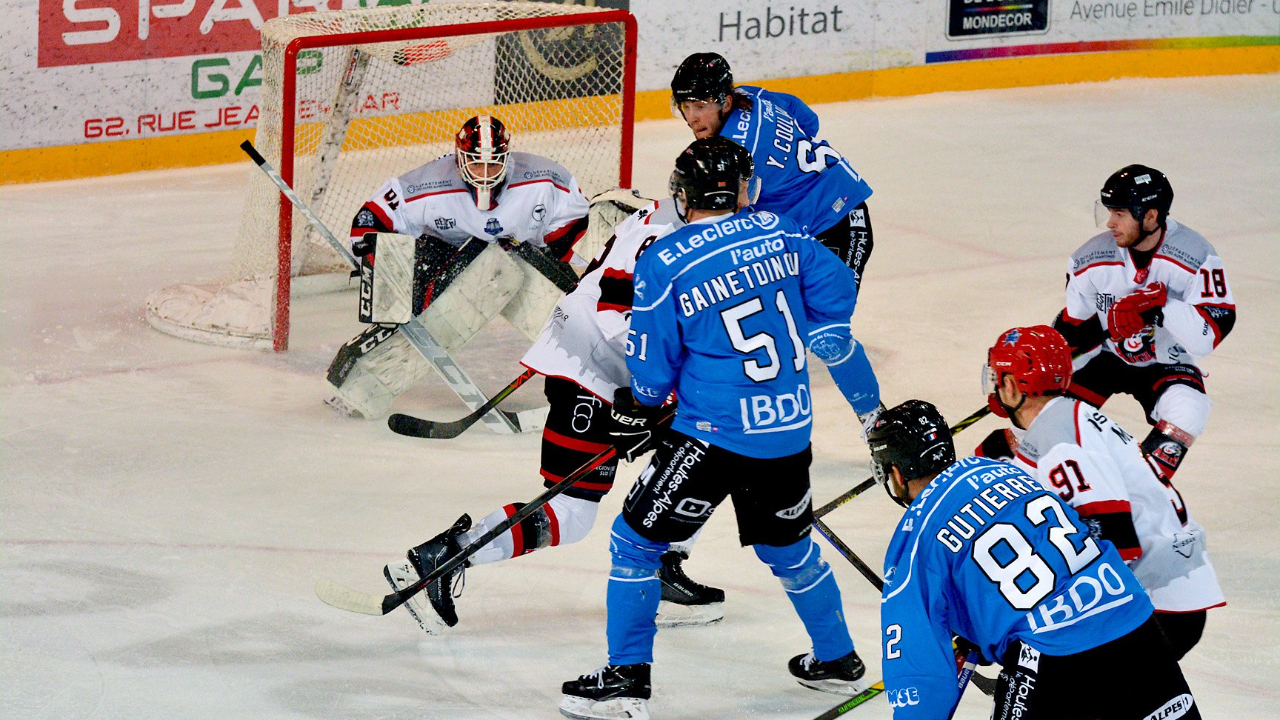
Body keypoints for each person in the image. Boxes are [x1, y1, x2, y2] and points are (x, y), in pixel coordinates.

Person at [560, 136, 882, 720]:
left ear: (683, 198)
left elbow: (653, 369)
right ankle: (837, 659)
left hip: (712, 436)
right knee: (789, 549)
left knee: (634, 544)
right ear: (744, 189)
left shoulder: (667, 257)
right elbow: (835, 292)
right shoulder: (783, 233)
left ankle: (627, 680)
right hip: (789, 432)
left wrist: (647, 404)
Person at [382, 189, 728, 636]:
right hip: (595, 369)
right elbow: (616, 311)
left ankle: (660, 565)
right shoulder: (669, 233)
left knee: (704, 450)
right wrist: (655, 387)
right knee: (571, 511)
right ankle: (447, 556)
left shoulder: (676, 216)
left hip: (603, 362)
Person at [870, 400, 1201, 720]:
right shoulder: (1007, 472)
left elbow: (921, 675)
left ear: (896, 474)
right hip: (1133, 622)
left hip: (1053, 656)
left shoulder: (913, 539)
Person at [976, 325, 1224, 659]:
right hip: (1166, 593)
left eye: (1000, 375)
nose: (995, 384)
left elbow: (1114, 539)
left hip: (1155, 607)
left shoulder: (1059, 436)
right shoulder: (1068, 418)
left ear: (1012, 385)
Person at [325, 115, 591, 420]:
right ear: (459, 158)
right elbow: (369, 221)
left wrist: (567, 268)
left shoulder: (544, 178)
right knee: (427, 319)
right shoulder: (428, 183)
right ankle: (359, 389)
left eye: (493, 165)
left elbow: (576, 227)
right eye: (477, 164)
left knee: (574, 313)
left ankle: (592, 385)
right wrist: (377, 262)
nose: (486, 174)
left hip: (521, 254)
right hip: (445, 259)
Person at [1053, 165, 1235, 485]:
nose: (1110, 222)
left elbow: (1207, 337)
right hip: (1105, 356)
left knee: (1190, 408)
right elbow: (1073, 326)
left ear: (1151, 216)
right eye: (1109, 212)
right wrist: (1034, 376)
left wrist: (1161, 307)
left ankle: (1142, 488)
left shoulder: (1195, 256)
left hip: (1164, 360)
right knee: (1046, 416)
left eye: (1120, 213)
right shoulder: (1088, 260)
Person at [670, 52, 875, 289]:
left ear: (725, 103)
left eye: (700, 106)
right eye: (685, 106)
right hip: (816, 216)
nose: (692, 118)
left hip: (837, 222)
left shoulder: (732, 149)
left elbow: (732, 213)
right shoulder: (749, 95)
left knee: (823, 318)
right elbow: (809, 120)